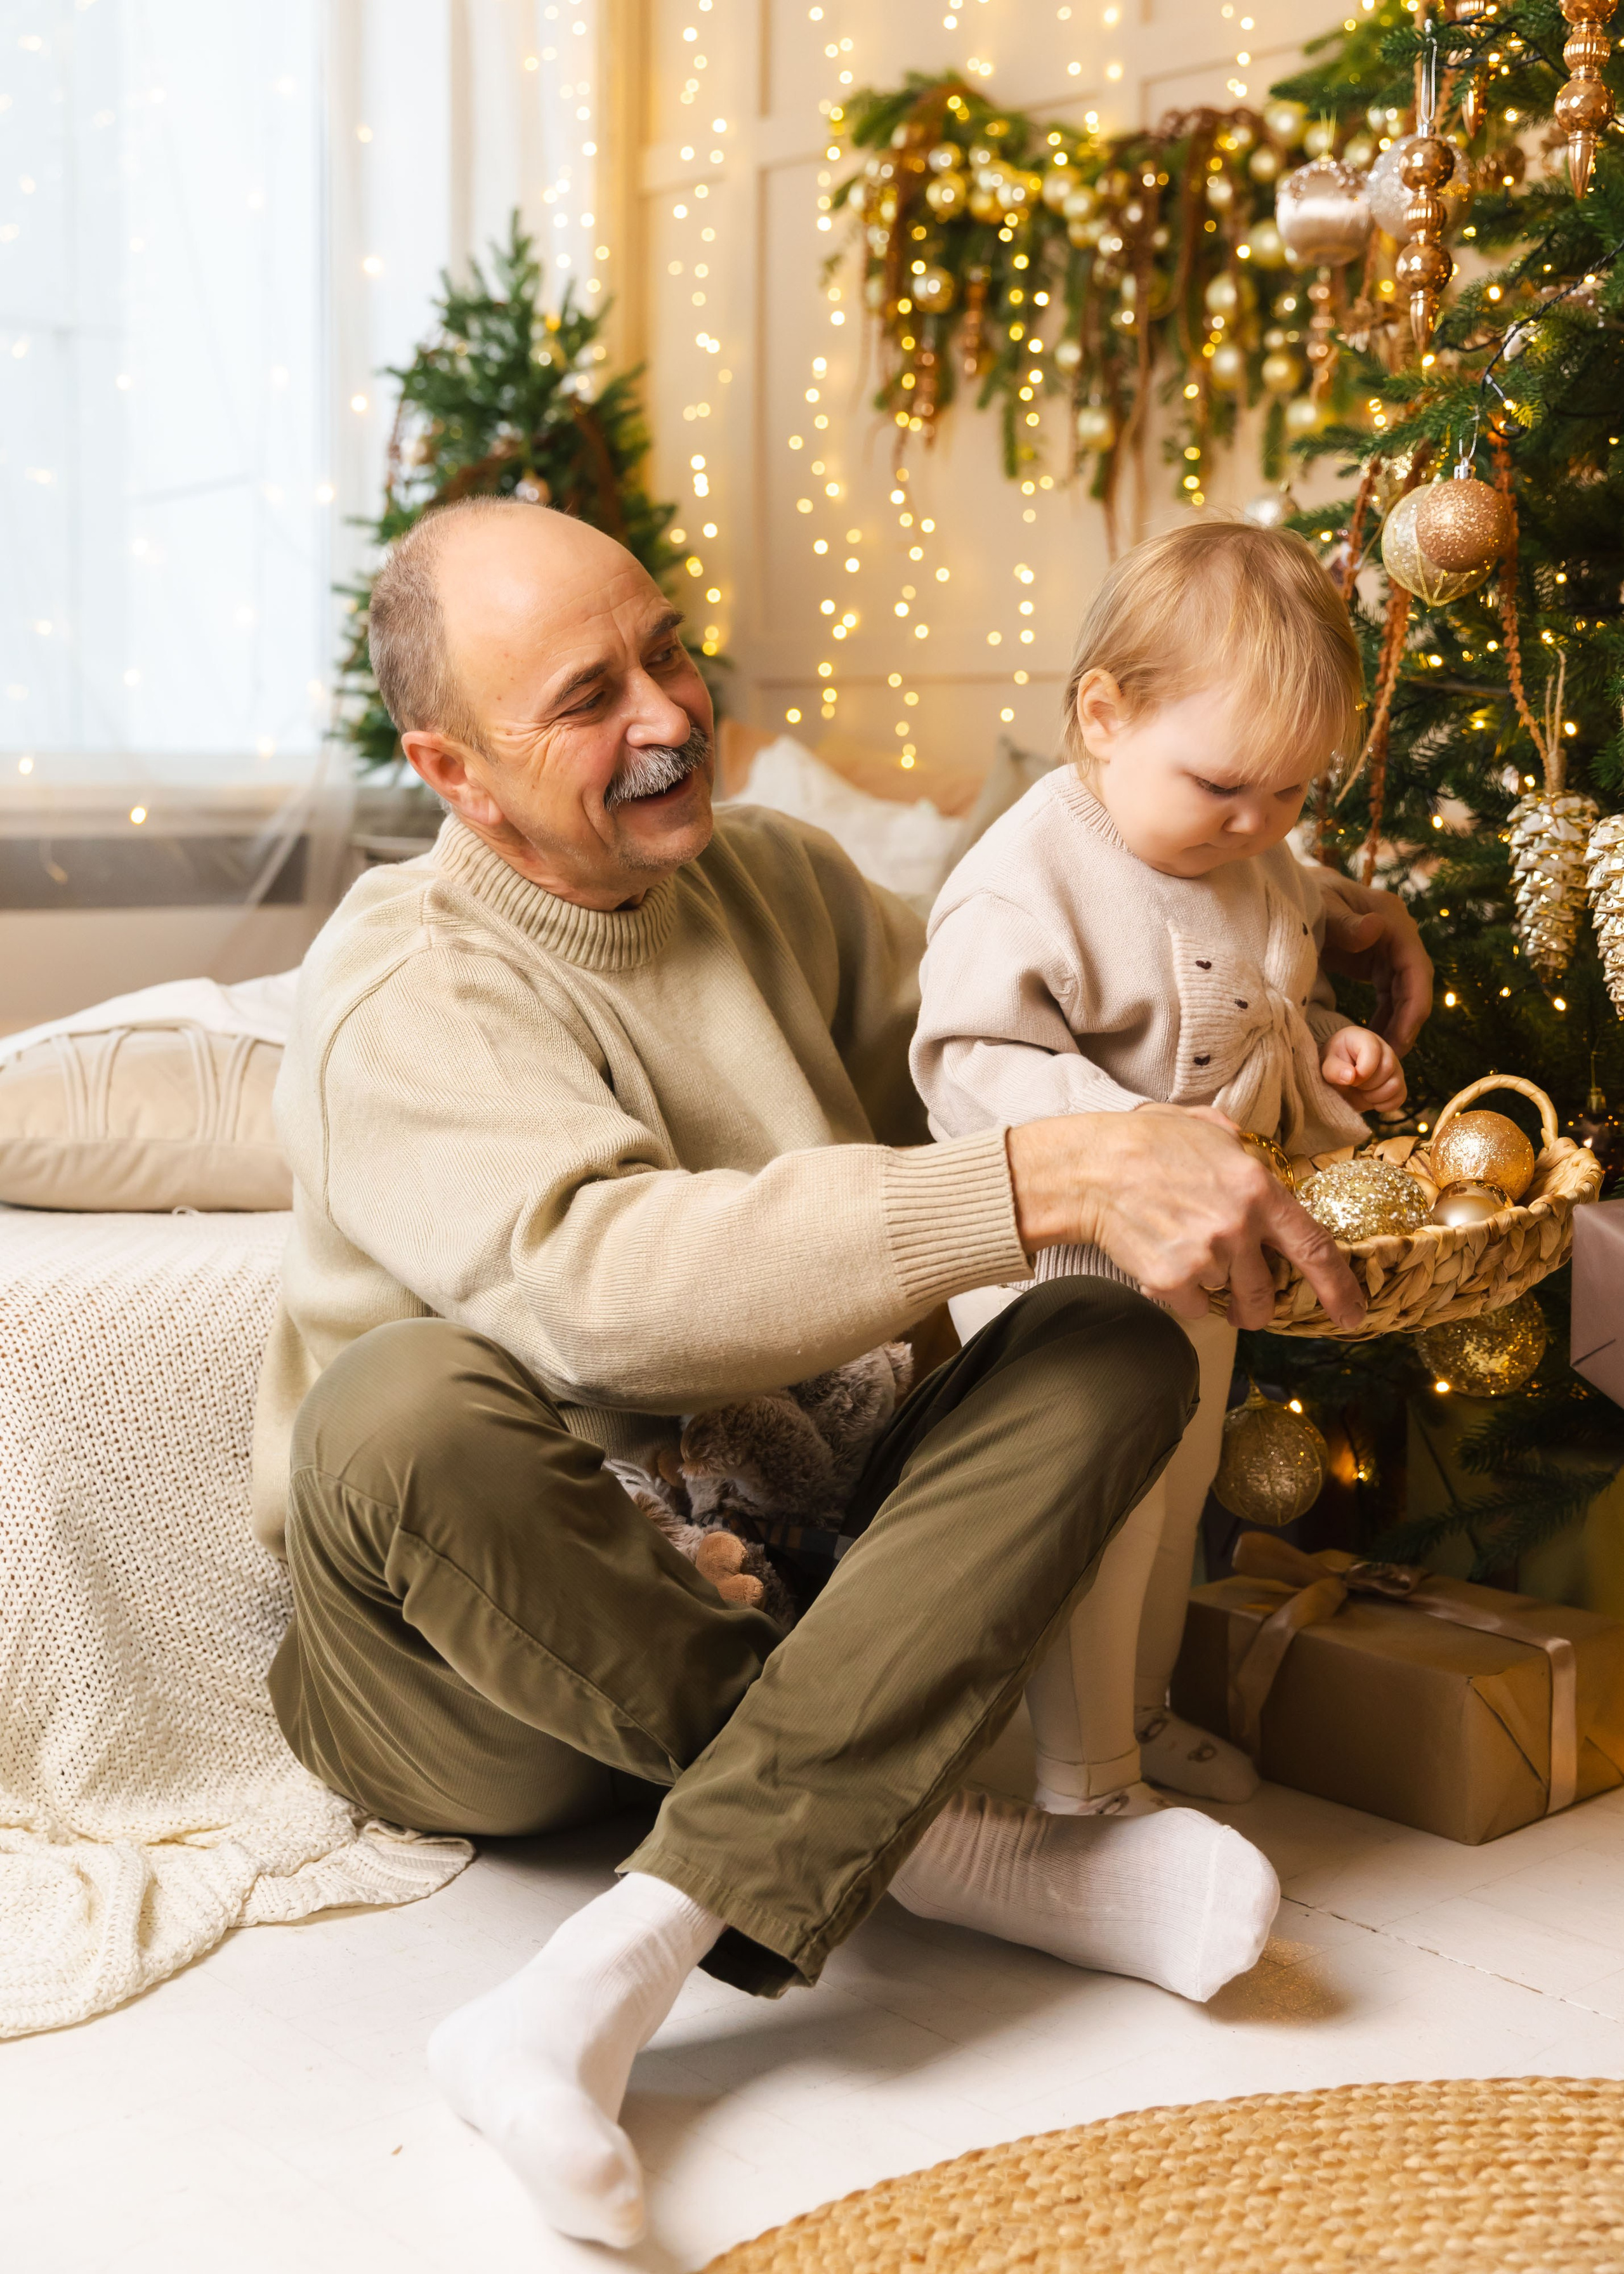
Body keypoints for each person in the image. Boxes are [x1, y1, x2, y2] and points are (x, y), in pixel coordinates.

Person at [254, 497, 1429, 2247]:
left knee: (1107, 1340)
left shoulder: (779, 881)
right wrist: (1047, 1175)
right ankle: (949, 1854)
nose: (666, 713)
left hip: (802, 1576)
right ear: (452, 769)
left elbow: (1034, 935)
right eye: (588, 696)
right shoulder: (398, 989)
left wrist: (1292, 906)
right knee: (398, 1407)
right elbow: (607, 1297)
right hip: (481, 1671)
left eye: (667, 648)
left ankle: (620, 1962)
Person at [912, 520, 1417, 1824]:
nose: (1255, 824)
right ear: (1101, 716)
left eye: (1291, 794)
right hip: (1061, 1273)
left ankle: (1135, 1714)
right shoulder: (1027, 883)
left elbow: (1250, 1005)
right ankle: (1083, 1781)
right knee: (1104, 1514)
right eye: (1221, 789)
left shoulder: (1247, 860)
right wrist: (1124, 1143)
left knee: (1184, 1485)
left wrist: (1326, 1049)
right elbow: (967, 1059)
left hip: (1199, 1258)